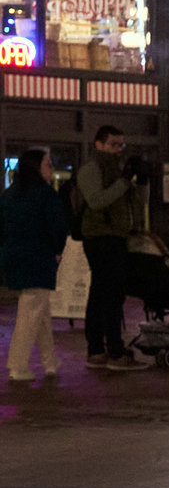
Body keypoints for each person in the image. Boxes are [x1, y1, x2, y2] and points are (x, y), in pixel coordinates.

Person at [75, 124, 146, 372]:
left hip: (115, 235)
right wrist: (125, 181)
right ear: (99, 144)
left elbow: (137, 202)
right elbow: (97, 200)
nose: (117, 150)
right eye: (113, 144)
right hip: (100, 236)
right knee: (111, 294)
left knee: (100, 293)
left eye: (121, 145)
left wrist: (142, 180)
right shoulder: (92, 168)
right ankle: (115, 351)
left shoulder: (117, 170)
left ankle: (96, 350)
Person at [3, 150, 71, 383]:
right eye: (47, 164)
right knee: (31, 312)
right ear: (36, 168)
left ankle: (50, 361)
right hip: (39, 259)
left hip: (14, 258)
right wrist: (58, 250)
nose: (51, 169)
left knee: (39, 310)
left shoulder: (10, 194)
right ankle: (18, 365)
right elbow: (57, 228)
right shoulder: (45, 195)